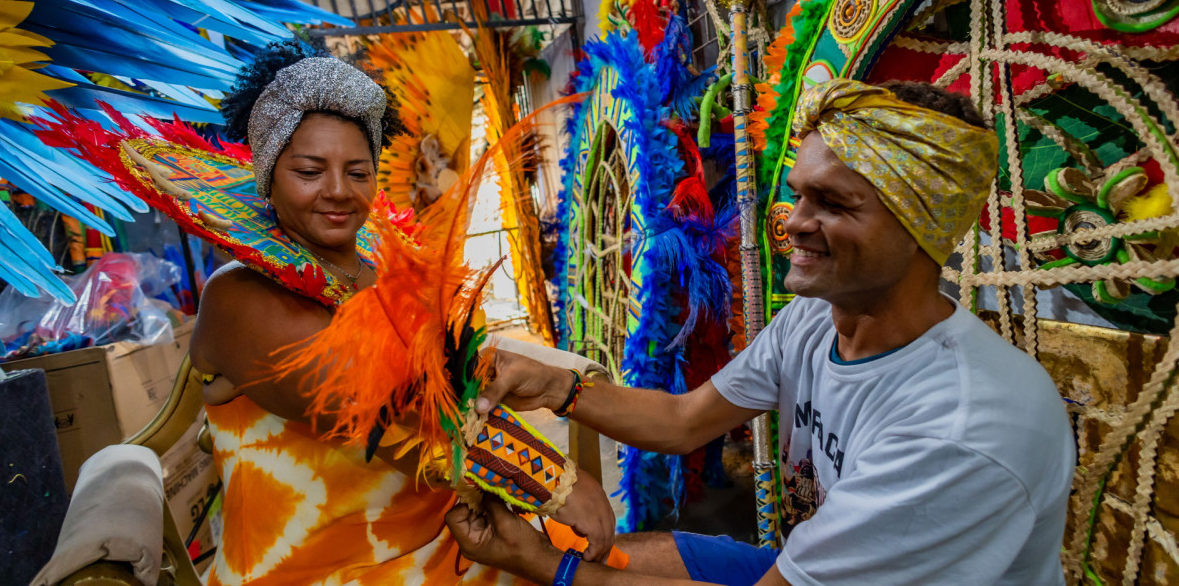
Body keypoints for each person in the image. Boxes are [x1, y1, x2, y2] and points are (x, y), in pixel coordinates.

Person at [444, 79, 1076, 586]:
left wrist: (541, 565)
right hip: (806, 566)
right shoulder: (814, 319)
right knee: (605, 556)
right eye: (799, 196)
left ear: (923, 228)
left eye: (833, 204)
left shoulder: (959, 427)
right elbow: (684, 419)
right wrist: (558, 386)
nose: (795, 224)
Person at [189, 41, 614, 585]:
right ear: (268, 176)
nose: (338, 192)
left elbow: (448, 379)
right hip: (326, 571)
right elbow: (384, 404)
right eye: (310, 171)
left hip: (449, 542)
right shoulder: (239, 298)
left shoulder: (379, 265)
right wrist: (550, 479)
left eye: (358, 172)